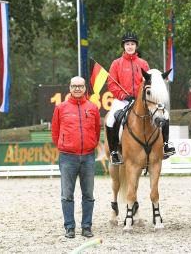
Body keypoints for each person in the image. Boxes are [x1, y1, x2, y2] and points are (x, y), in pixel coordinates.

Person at [105, 31, 176, 164]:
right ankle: (114, 151)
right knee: (110, 119)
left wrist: (140, 96)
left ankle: (166, 144)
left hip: (141, 100)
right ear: (123, 46)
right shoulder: (116, 63)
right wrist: (123, 95)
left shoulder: (143, 63)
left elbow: (149, 83)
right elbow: (111, 84)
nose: (130, 46)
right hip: (122, 100)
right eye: (127, 44)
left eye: (132, 44)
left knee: (164, 114)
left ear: (136, 46)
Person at [51, 76, 100, 238]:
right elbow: (55, 132)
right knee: (67, 195)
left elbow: (97, 131)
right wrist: (63, 146)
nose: (77, 89)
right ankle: (69, 227)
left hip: (88, 157)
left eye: (80, 86)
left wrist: (91, 145)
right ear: (70, 88)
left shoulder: (93, 108)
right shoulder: (61, 108)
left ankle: (86, 227)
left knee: (88, 195)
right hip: (67, 158)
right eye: (74, 86)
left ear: (85, 88)